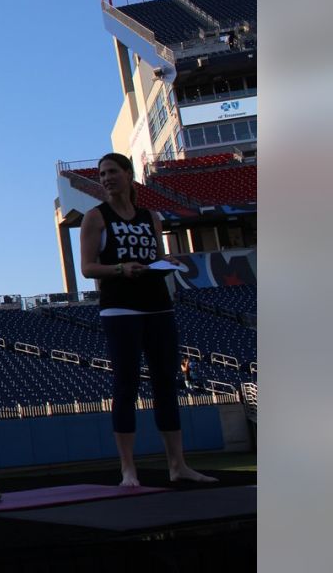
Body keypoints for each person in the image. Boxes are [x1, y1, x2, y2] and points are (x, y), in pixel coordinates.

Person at [79, 153, 217, 487]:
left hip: (158, 305)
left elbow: (153, 256)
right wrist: (119, 269)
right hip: (119, 307)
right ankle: (128, 469)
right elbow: (86, 268)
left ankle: (177, 464)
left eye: (112, 172)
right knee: (125, 384)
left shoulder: (150, 216)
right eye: (102, 174)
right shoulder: (95, 218)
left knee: (165, 384)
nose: (106, 178)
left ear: (128, 175)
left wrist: (163, 262)